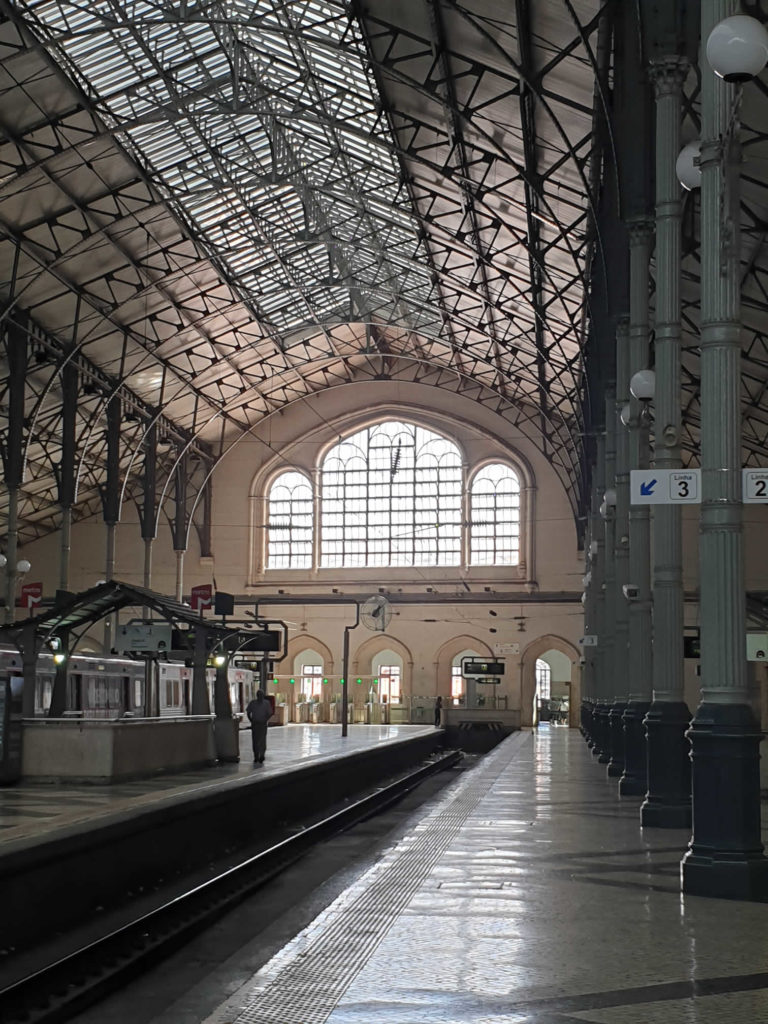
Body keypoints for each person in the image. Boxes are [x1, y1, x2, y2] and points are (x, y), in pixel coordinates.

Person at [246, 689, 272, 763]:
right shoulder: (253, 703)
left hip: (262, 724)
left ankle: (262, 755)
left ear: (263, 696)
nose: (260, 697)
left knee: (262, 740)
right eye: (259, 695)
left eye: (261, 695)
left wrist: (266, 719)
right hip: (255, 724)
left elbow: (269, 713)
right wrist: (251, 720)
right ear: (257, 696)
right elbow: (248, 712)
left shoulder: (266, 703)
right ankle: (256, 756)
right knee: (255, 740)